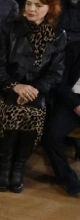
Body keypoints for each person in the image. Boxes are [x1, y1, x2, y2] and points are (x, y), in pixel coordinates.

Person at [0, 0, 66, 193]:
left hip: (38, 92)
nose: (31, 9)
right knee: (14, 109)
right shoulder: (9, 29)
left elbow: (55, 73)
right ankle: (5, 166)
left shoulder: (59, 35)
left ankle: (17, 168)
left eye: (38, 5)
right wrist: (16, 86)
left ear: (50, 8)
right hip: (7, 88)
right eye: (28, 4)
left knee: (32, 111)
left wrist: (33, 89)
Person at [42, 39, 80, 196]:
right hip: (72, 100)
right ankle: (67, 178)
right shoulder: (74, 48)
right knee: (51, 136)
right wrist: (75, 105)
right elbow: (60, 82)